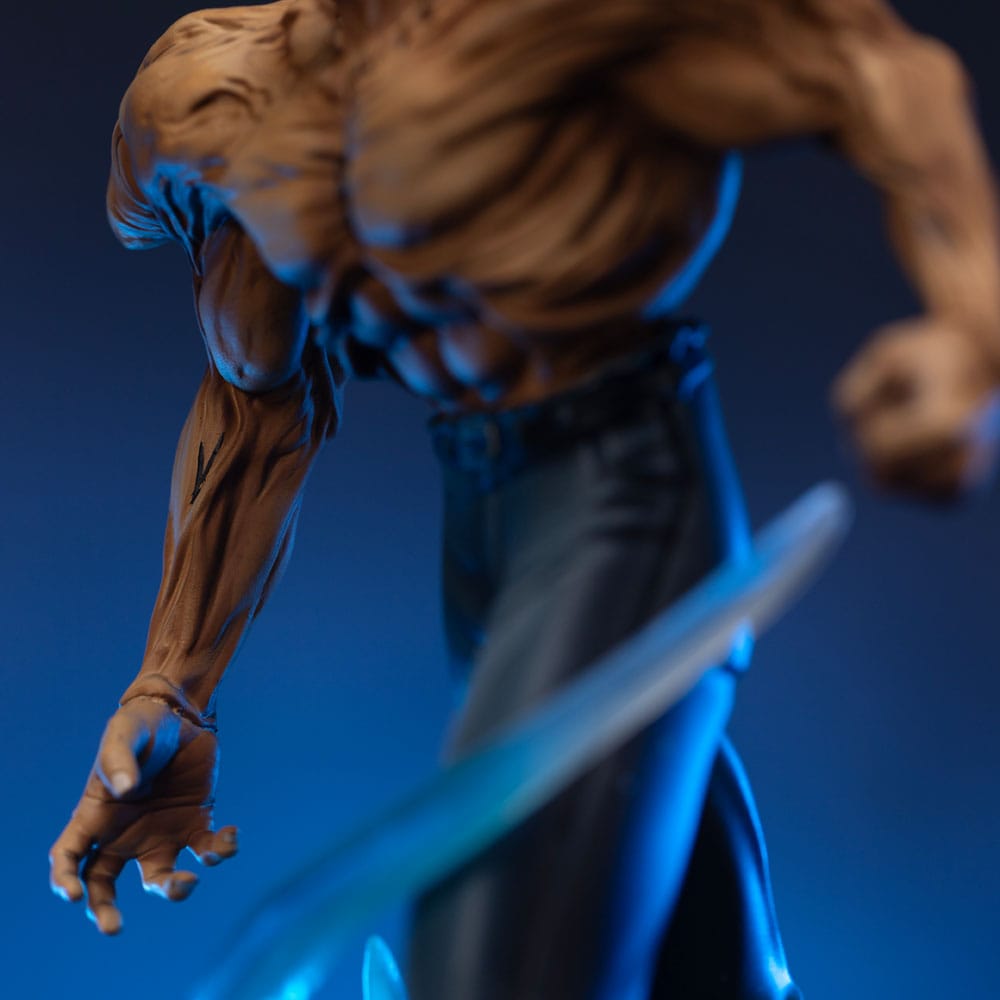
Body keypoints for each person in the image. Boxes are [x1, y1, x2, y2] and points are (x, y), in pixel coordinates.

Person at [49, 1, 1000, 997]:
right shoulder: (215, 89)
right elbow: (254, 405)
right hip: (488, 542)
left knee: (497, 966)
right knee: (690, 955)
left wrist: (973, 332)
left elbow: (868, 67)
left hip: (621, 499)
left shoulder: (543, 23)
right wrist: (172, 685)